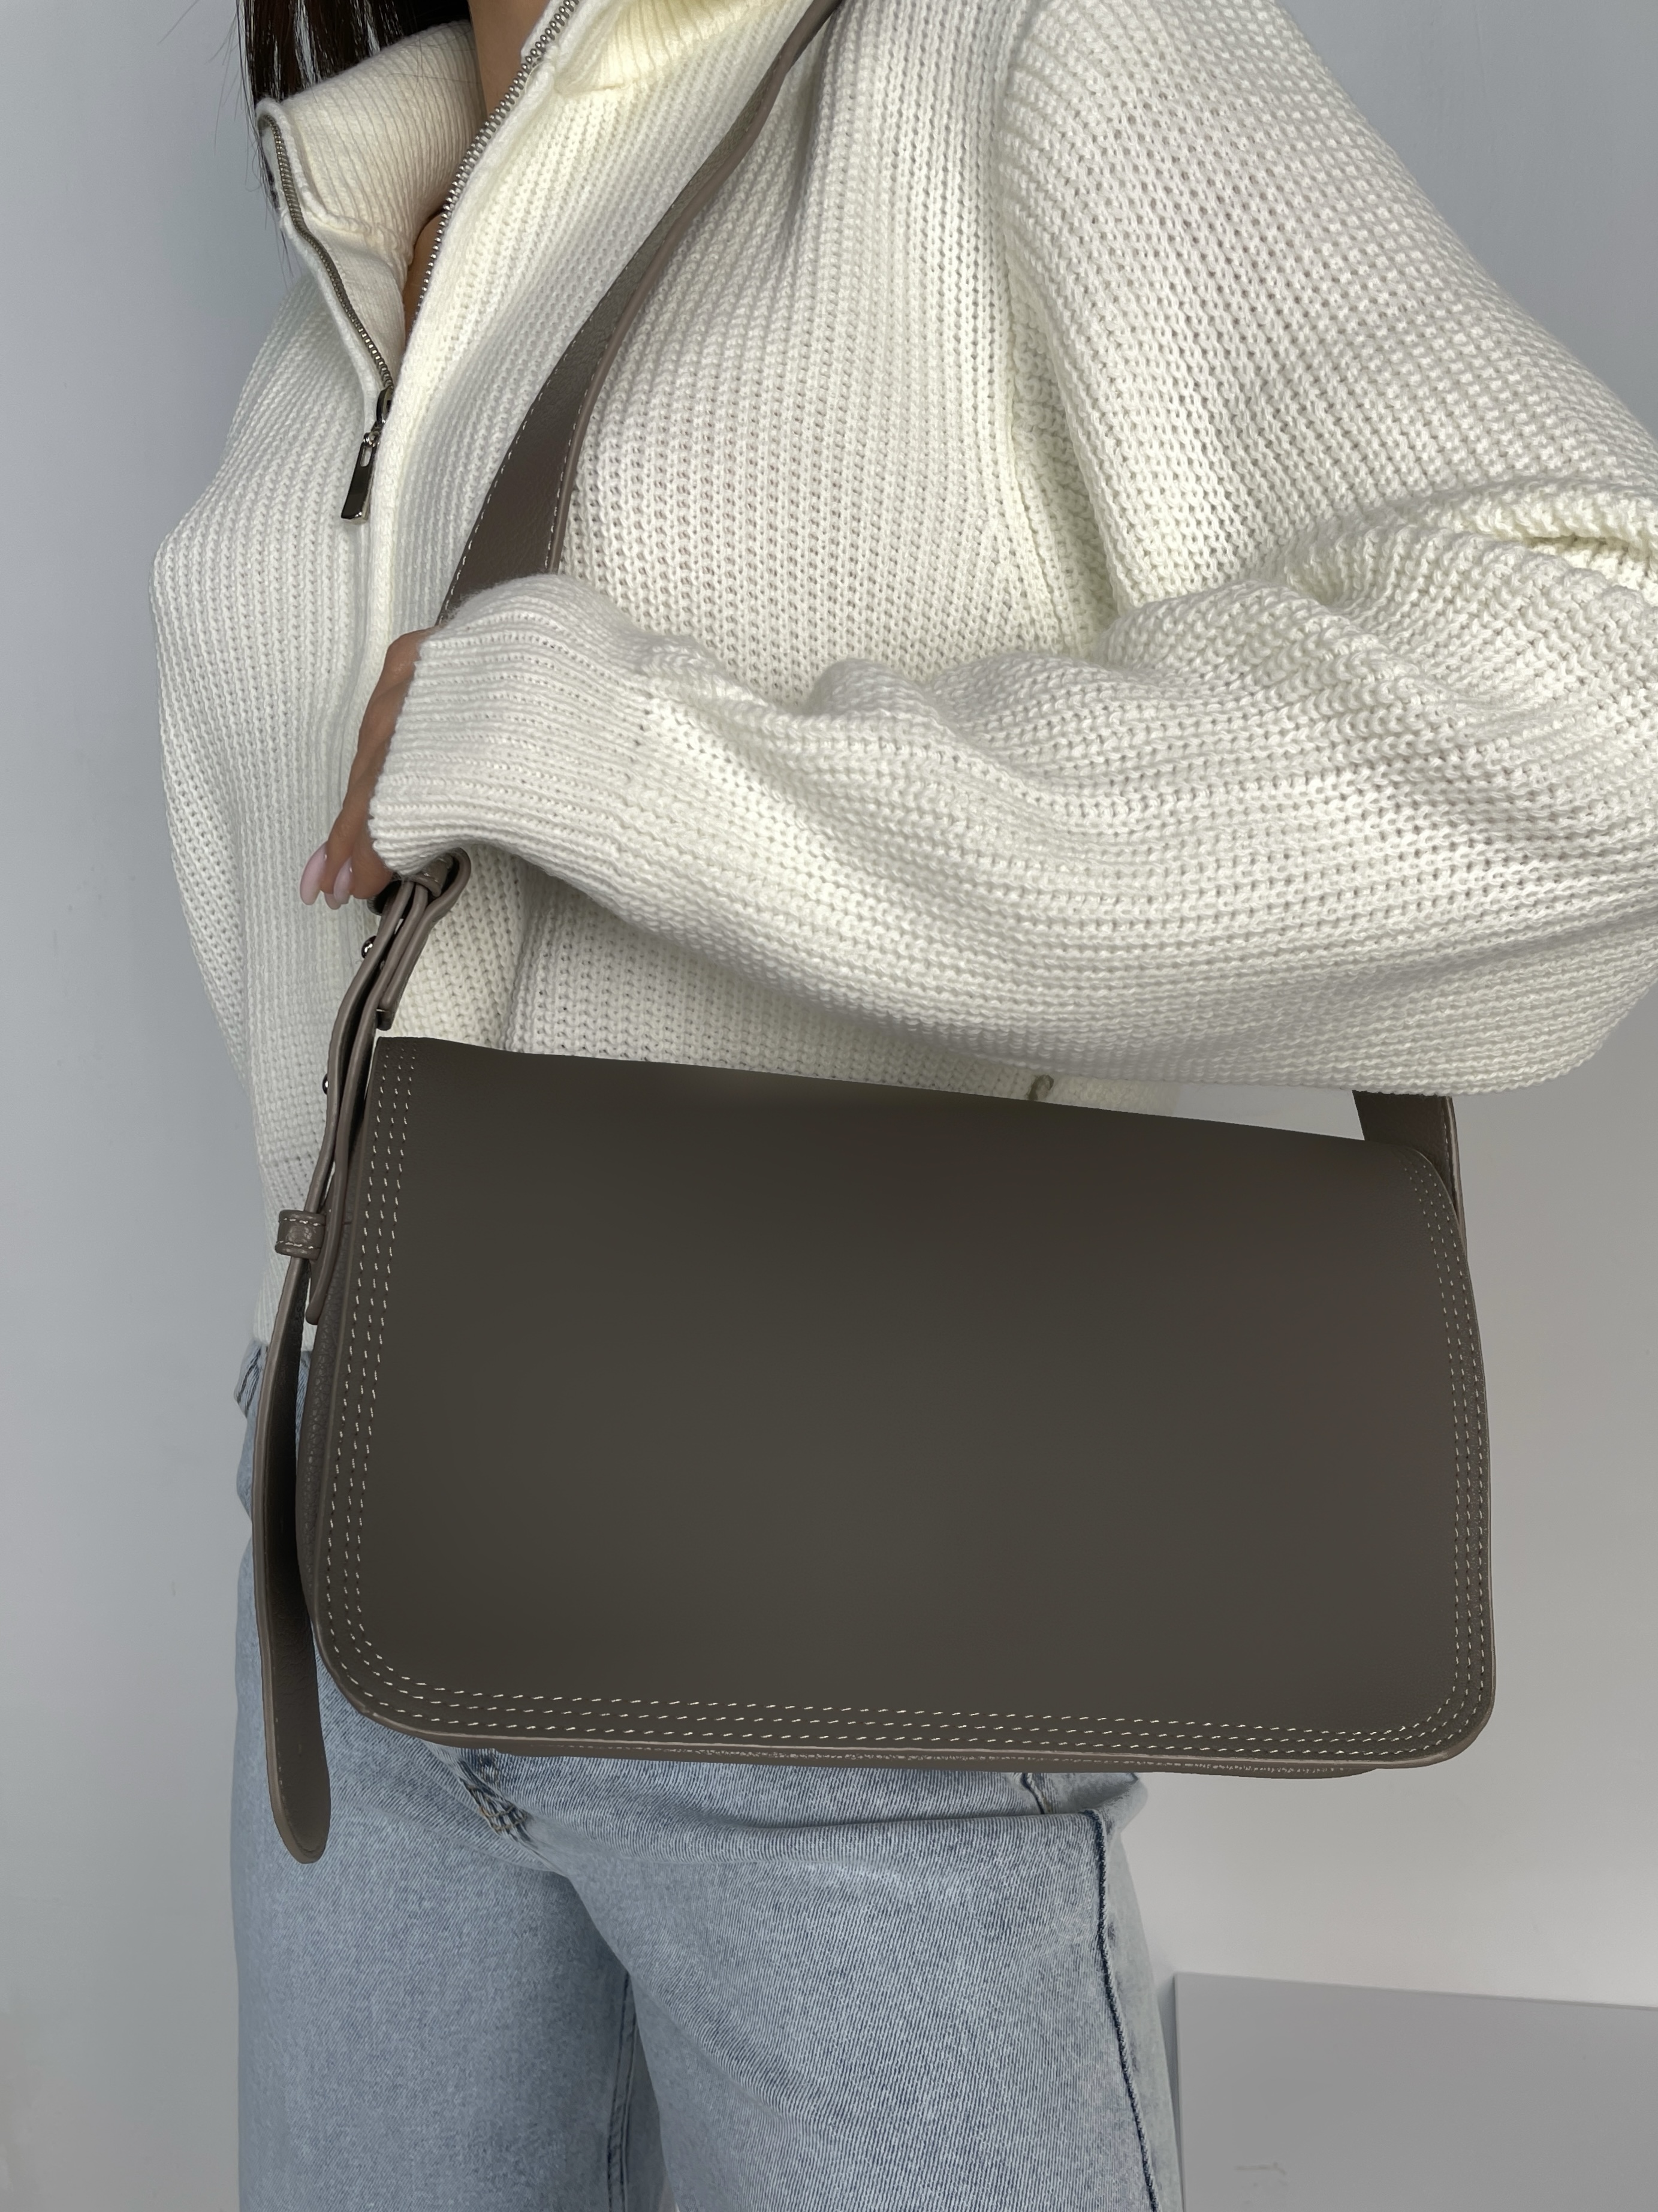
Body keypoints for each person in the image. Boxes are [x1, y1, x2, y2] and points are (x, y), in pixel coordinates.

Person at [153, 0, 1658, 2204]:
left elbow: (1599, 685)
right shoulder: (362, 205)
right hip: (348, 1573)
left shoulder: (1014, 45)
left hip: (827, 1622)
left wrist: (632, 759)